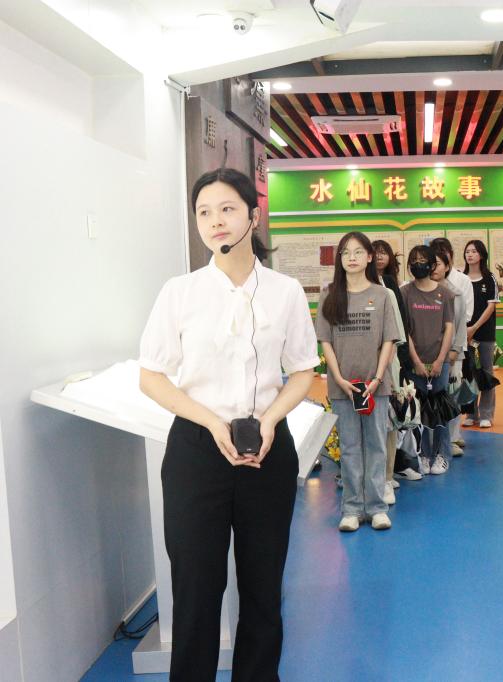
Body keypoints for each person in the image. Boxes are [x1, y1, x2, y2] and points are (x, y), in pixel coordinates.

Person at [139, 168, 318, 678]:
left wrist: (271, 418)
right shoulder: (180, 292)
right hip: (198, 450)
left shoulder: (285, 291)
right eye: (204, 212)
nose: (215, 220)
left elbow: (302, 371)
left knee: (263, 587)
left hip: (267, 446)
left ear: (253, 216)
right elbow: (151, 377)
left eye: (227, 209)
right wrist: (211, 422)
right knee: (196, 590)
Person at [317, 232, 400, 531]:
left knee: (376, 446)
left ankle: (376, 507)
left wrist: (377, 378)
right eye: (345, 253)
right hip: (343, 388)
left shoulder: (382, 295)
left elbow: (389, 340)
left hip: (376, 386)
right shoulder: (329, 295)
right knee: (350, 447)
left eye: (358, 252)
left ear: (369, 257)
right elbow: (325, 341)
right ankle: (351, 509)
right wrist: (339, 378)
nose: (351, 258)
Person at [401, 245, 455, 475]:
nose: (418, 264)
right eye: (414, 260)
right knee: (418, 410)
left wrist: (441, 360)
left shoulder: (446, 294)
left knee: (440, 410)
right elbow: (405, 331)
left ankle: (442, 454)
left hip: (439, 362)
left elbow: (449, 328)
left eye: (423, 260)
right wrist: (416, 361)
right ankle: (422, 454)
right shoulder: (405, 293)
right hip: (415, 363)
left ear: (432, 265)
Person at [372, 239, 413, 497]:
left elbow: (398, 331)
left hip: (387, 365)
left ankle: (387, 477)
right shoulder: (342, 292)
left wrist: (395, 364)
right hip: (358, 368)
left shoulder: (388, 289)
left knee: (389, 421)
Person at [431, 238, 474, 451]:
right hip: (428, 354)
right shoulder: (419, 290)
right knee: (431, 397)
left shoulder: (456, 292)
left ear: (447, 265)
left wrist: (456, 350)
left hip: (453, 354)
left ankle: (453, 438)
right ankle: (433, 440)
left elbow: (462, 322)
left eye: (438, 263)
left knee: (453, 395)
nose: (433, 267)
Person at [463, 239, 501, 428]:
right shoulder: (461, 278)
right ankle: (471, 413)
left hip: (484, 333)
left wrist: (474, 327)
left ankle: (486, 414)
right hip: (464, 334)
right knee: (468, 373)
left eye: (474, 251)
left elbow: (491, 306)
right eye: (467, 251)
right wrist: (465, 330)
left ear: (482, 255)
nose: (470, 255)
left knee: (486, 372)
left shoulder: (489, 278)